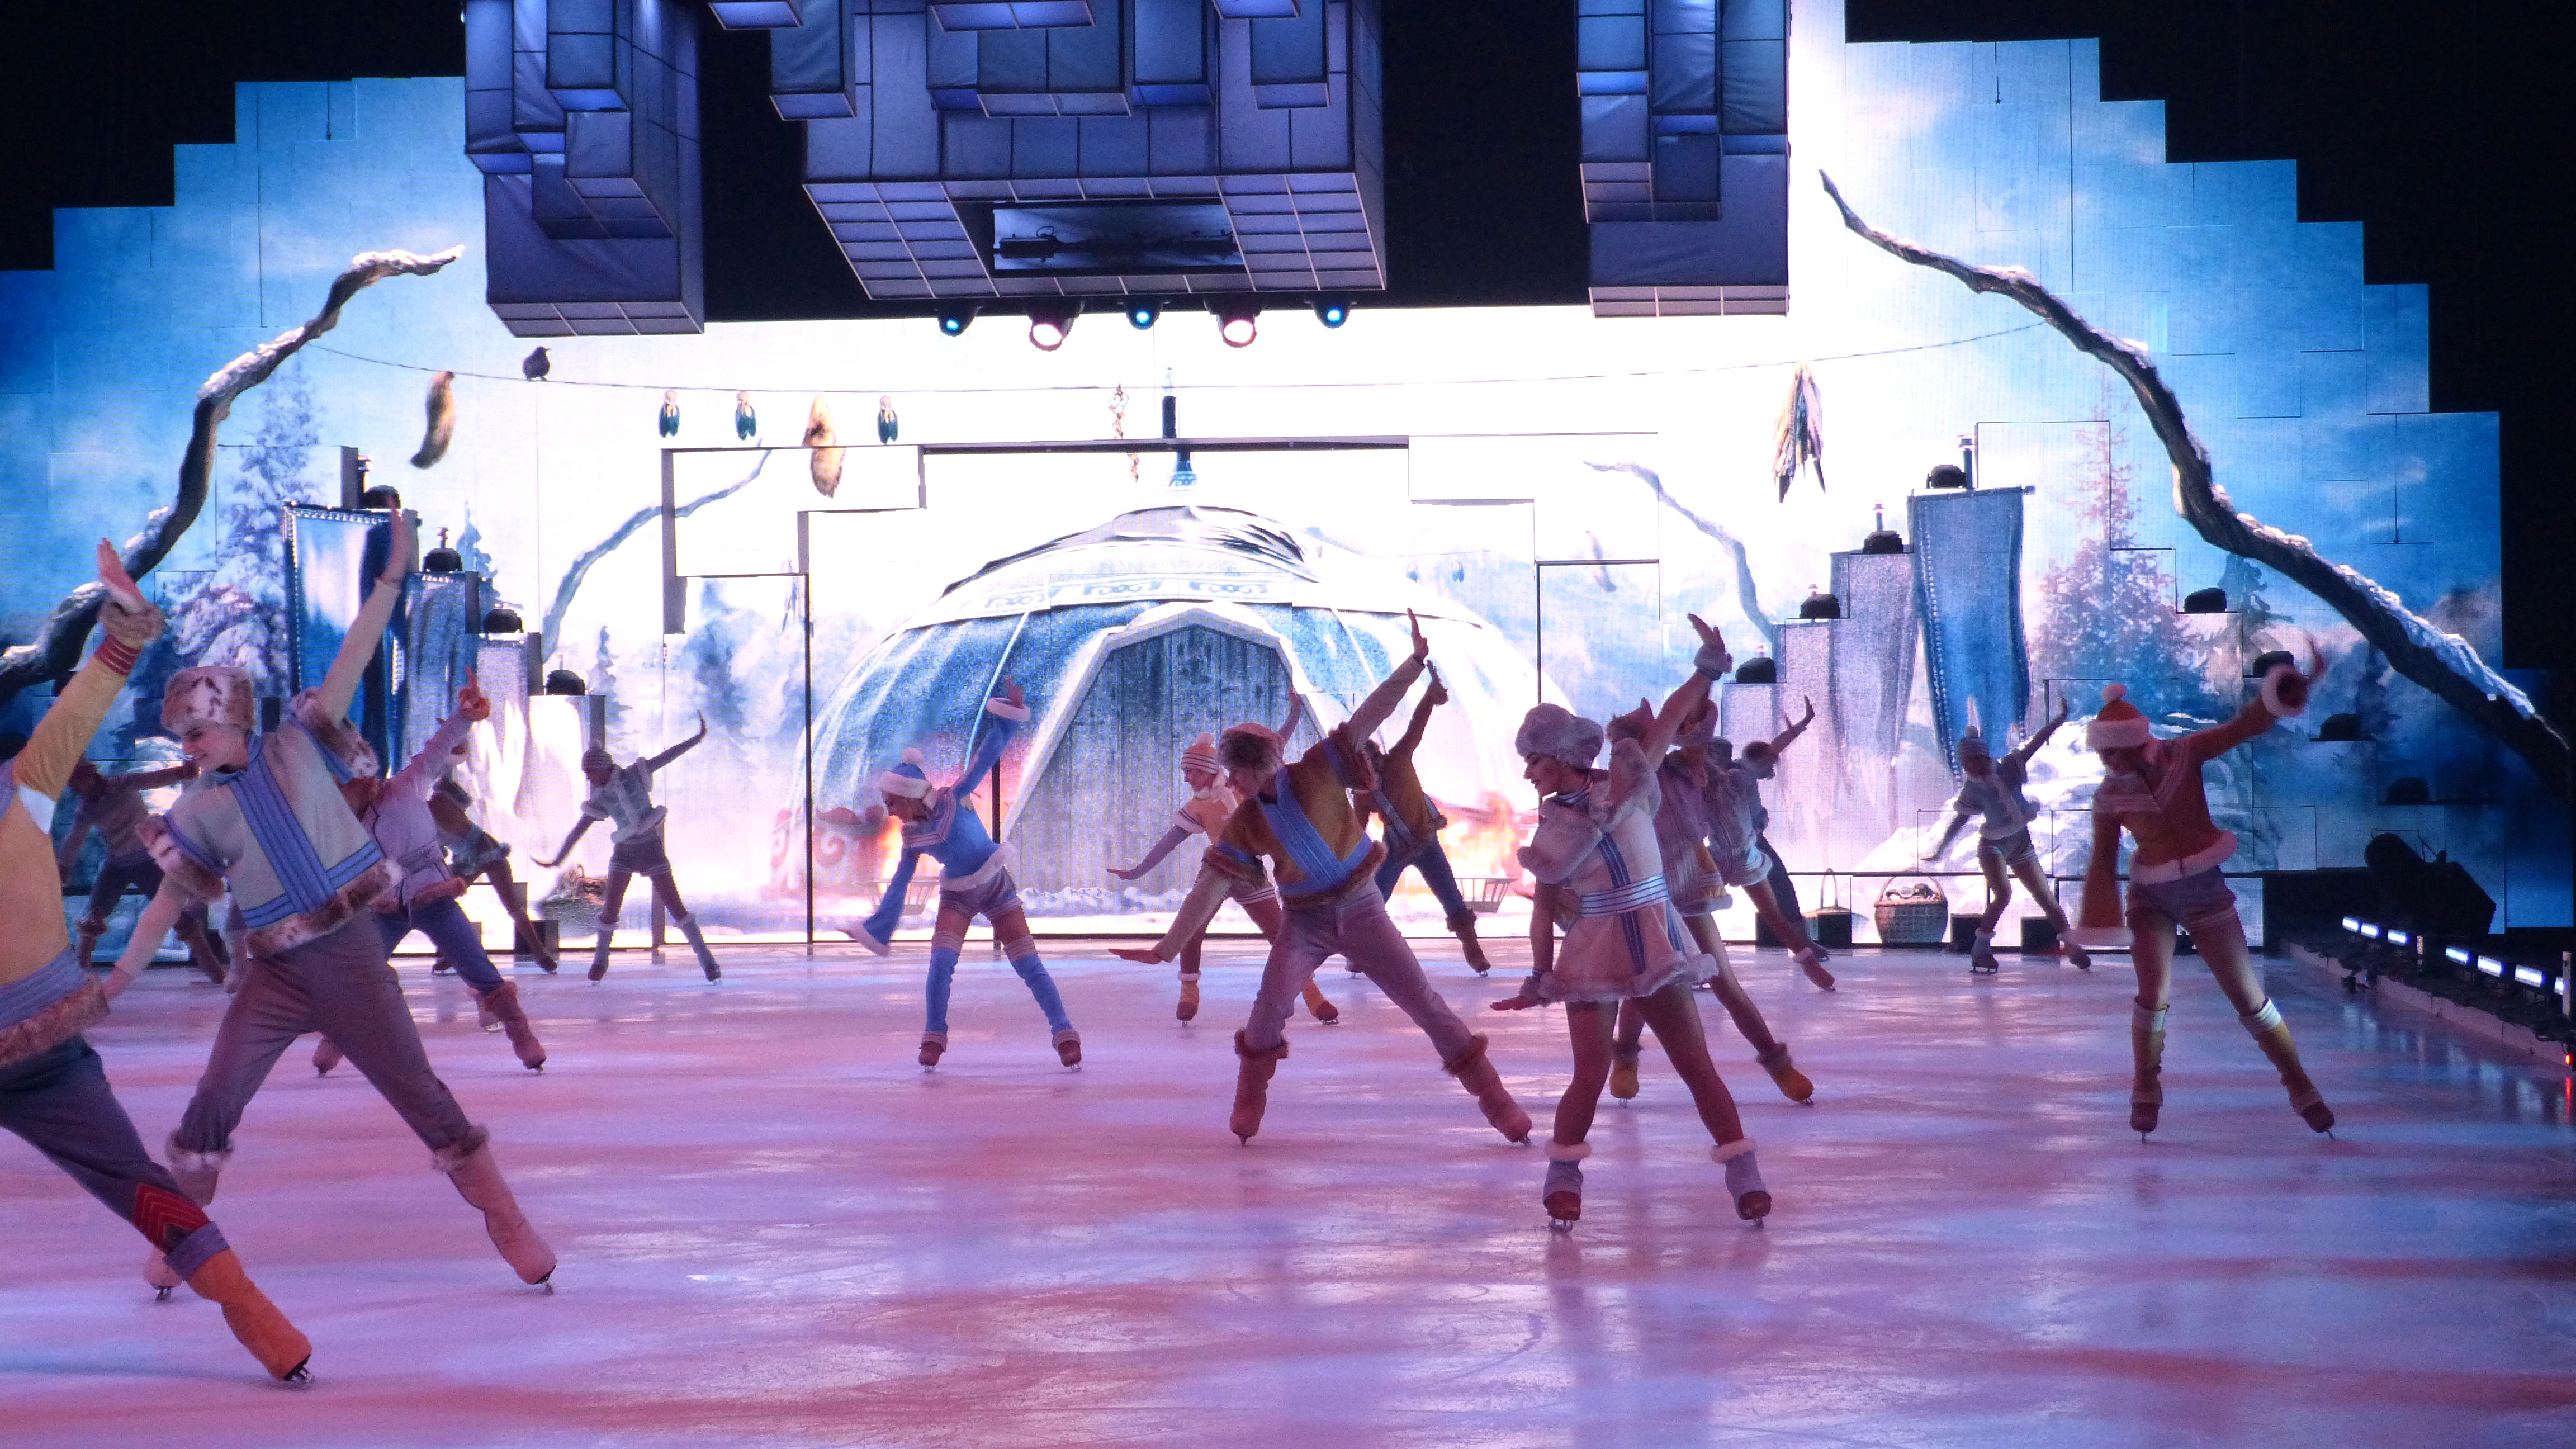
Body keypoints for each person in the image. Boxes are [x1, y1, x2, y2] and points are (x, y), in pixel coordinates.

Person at [119, 510, 557, 1291]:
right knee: (212, 1102)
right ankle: (183, 1238)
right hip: (277, 975)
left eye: (196, 732)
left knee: (422, 1096)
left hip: (353, 955)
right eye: (182, 736)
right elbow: (166, 901)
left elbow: (355, 654)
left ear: (231, 720)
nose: (188, 747)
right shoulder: (198, 810)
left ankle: (506, 1216)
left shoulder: (297, 744)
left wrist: (389, 580)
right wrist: (119, 979)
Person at [0, 543, 311, 1381]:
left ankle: (250, 1307)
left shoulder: (26, 782)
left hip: (42, 1051)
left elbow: (87, 695)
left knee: (136, 1182)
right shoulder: (27, 782)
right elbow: (90, 691)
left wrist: (127, 627)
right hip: (45, 1044)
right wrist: (127, 627)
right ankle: (251, 1311)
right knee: (136, 1182)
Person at [1112, 613, 1531, 1147]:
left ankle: (1496, 1099)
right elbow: (1209, 888)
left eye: (1236, 771)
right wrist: (1167, 948)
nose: (1230, 780)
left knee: (1424, 1001)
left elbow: (1371, 712)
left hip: (1362, 909)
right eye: (1229, 772)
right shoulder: (1245, 823)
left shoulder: (1317, 767)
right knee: (1268, 1009)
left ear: (1259, 766)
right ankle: (1250, 1095)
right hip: (1305, 923)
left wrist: (1414, 664)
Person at [1493, 617, 1771, 1226]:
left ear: (1559, 756)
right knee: (1589, 1073)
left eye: (1533, 760)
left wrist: (1707, 666)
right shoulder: (1552, 829)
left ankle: (1743, 1171)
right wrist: (1539, 976)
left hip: (1655, 939)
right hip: (1592, 949)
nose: (1528, 774)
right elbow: (1543, 908)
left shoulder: (1632, 777)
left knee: (1695, 1065)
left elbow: (1670, 716)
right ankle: (1563, 1178)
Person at [2073, 660, 2334, 1138]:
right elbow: (2102, 862)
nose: (2108, 762)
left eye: (2113, 752)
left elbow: (2243, 726)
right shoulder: (2108, 798)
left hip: (2204, 892)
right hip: (2149, 896)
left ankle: (2299, 1083)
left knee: (2249, 998)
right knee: (2152, 995)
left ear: (2135, 743)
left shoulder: (2183, 755)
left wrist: (2283, 692)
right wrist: (2094, 921)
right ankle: (2145, 1085)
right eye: (2103, 754)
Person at [849, 681, 1081, 1068]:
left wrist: (1009, 716)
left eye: (891, 802)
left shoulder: (954, 798)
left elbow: (985, 757)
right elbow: (900, 884)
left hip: (996, 886)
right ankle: (933, 1036)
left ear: (908, 795)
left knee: (1028, 965)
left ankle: (1065, 1033)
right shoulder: (911, 837)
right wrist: (875, 928)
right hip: (957, 896)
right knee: (941, 964)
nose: (889, 811)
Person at [1598, 695, 1814, 1105]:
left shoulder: (1691, 771)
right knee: (1646, 983)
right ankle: (1624, 1058)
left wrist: (1700, 703)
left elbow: (1703, 736)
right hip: (1648, 893)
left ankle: (1777, 1062)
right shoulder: (1628, 778)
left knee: (1722, 980)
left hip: (1688, 888)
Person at [328, 679, 546, 1071]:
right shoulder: (341, 827)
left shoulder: (406, 786)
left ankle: (519, 1030)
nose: (359, 785)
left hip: (435, 897)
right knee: (359, 975)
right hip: (387, 909)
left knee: (477, 967)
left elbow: (437, 748)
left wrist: (465, 716)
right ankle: (339, 1038)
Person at [1108, 719, 1339, 1026]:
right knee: (1193, 930)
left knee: (1279, 933)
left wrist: (1295, 714)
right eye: (1186, 772)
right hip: (1216, 870)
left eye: (1193, 771)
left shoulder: (1240, 786)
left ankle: (1310, 991)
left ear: (1210, 769)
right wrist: (1138, 871)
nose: (1188, 778)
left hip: (1249, 872)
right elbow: (1170, 841)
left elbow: (1274, 746)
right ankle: (1189, 989)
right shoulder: (1197, 807)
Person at [533, 715, 721, 982]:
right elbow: (578, 830)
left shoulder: (634, 775)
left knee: (675, 906)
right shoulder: (601, 797)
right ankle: (600, 961)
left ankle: (708, 961)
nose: (588, 778)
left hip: (651, 849)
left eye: (590, 773)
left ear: (601, 768)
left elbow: (667, 756)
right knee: (610, 908)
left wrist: (696, 739)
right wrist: (557, 859)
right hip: (624, 852)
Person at [1926, 701, 2089, 973]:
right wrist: (1940, 849)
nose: (1969, 768)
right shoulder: (1972, 789)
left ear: (1983, 757)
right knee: (2003, 894)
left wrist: (2059, 719)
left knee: (2045, 897)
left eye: (1972, 761)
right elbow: (1960, 819)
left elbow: (2036, 743)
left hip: (2020, 843)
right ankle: (1980, 950)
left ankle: (2072, 946)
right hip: (1993, 845)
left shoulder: (2010, 768)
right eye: (1965, 764)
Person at [1360, 665, 1497, 974]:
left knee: (1451, 896)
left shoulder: (1398, 760)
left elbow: (1415, 727)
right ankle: (1363, 951)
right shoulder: (1363, 792)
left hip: (1426, 843)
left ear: (1375, 757)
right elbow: (1356, 828)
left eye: (1366, 761)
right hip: (1394, 850)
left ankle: (1472, 947)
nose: (1365, 769)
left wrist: (1430, 697)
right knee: (1375, 900)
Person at [58, 756, 228, 983]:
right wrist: (64, 866)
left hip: (145, 862)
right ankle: (78, 982)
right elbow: (75, 839)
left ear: (89, 777)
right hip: (116, 865)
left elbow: (154, 779)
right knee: (93, 917)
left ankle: (216, 973)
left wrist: (182, 773)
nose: (73, 789)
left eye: (75, 783)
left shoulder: (122, 785)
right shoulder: (87, 808)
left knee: (177, 916)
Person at [1706, 701, 1835, 990]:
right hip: (1718, 850)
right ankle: (1691, 951)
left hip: (1750, 845)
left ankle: (1802, 943)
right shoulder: (1703, 780)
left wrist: (1801, 726)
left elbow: (1772, 750)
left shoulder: (1740, 772)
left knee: (1779, 889)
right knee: (1696, 899)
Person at [431, 774, 558, 973]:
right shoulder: (426, 815)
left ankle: (539, 951)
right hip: (466, 858)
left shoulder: (437, 806)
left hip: (486, 851)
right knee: (441, 902)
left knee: (512, 905)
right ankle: (455, 951)